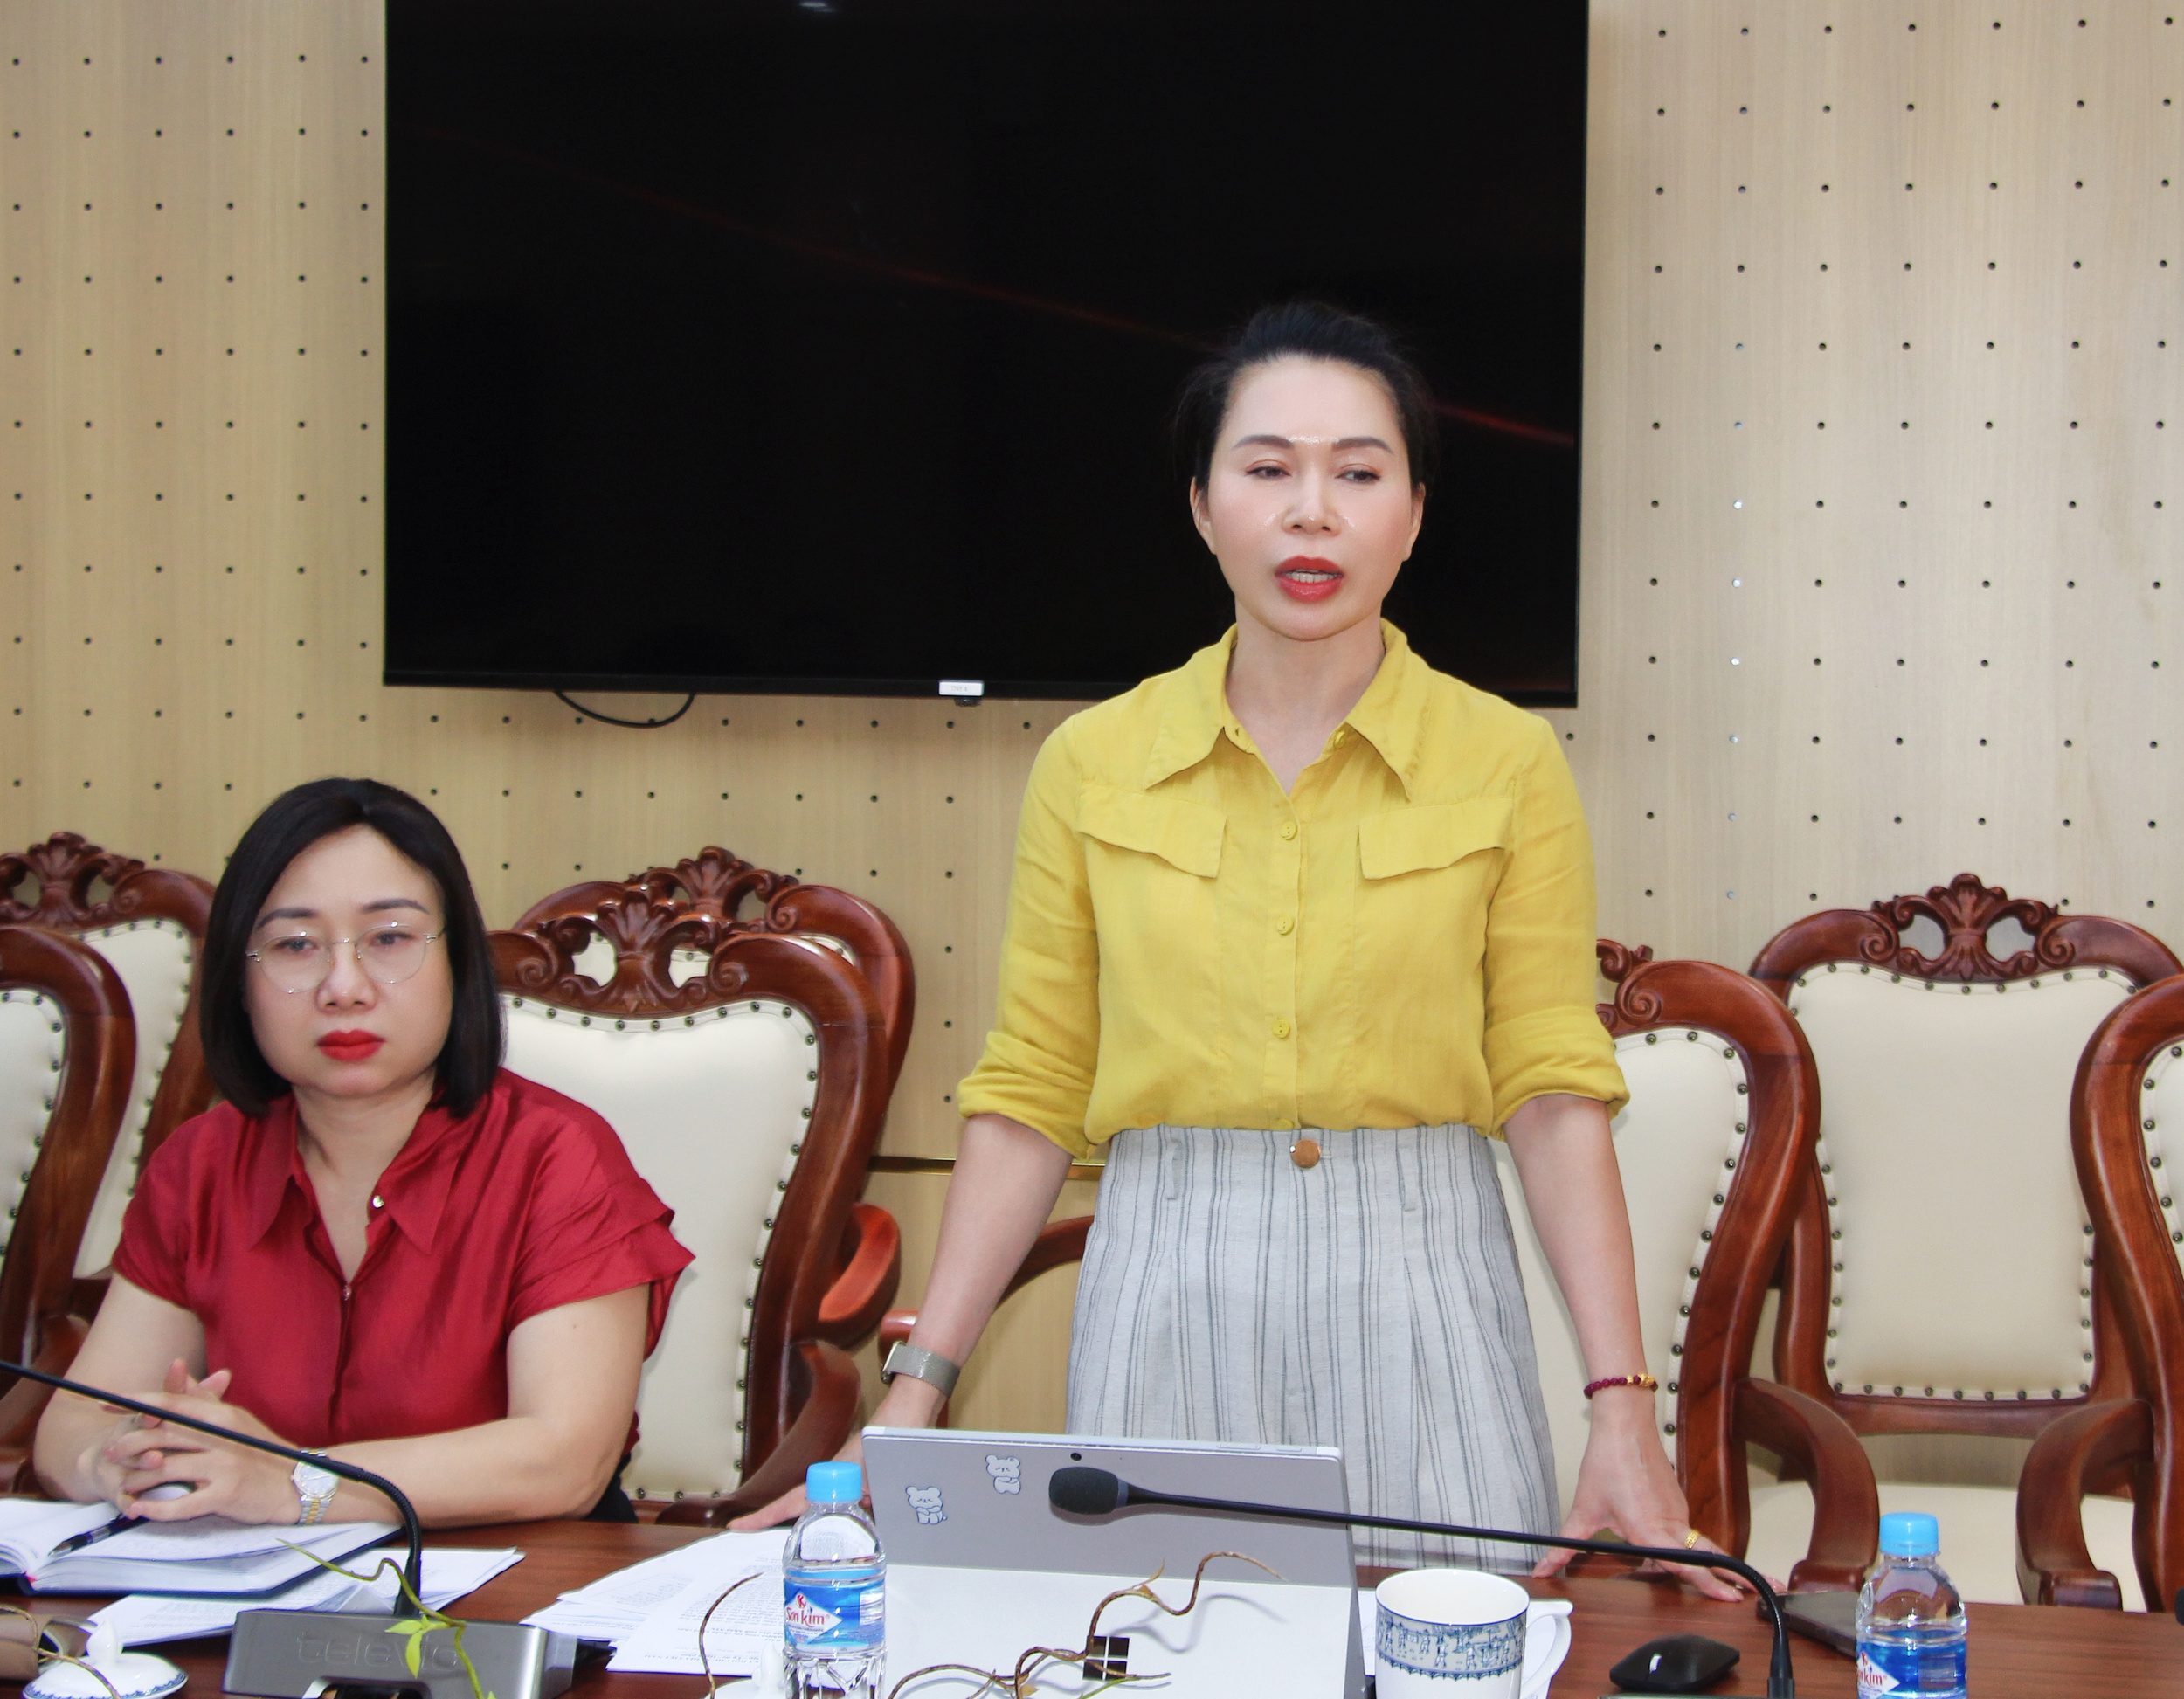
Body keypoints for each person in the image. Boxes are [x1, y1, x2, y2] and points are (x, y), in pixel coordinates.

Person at [745, 300, 1736, 1596]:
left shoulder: (1505, 760)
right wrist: (915, 1400)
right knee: (1159, 1655)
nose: (1311, 513)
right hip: (1168, 1278)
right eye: (1267, 469)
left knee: (1447, 1657)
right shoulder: (1094, 763)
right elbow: (1033, 1089)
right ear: (1204, 507)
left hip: (1426, 1281)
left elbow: (1552, 1092)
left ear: (1415, 514)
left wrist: (1622, 1408)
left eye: (1359, 474)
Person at [35, 778, 693, 1528]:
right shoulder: (202, 1164)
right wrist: (117, 1457)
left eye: (389, 939)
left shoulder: (557, 1158)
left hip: (517, 1584)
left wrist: (292, 1480)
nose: (343, 987)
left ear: (459, 965)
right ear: (238, 982)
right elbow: (72, 1425)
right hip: (255, 1585)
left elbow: (563, 1460)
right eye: (294, 945)